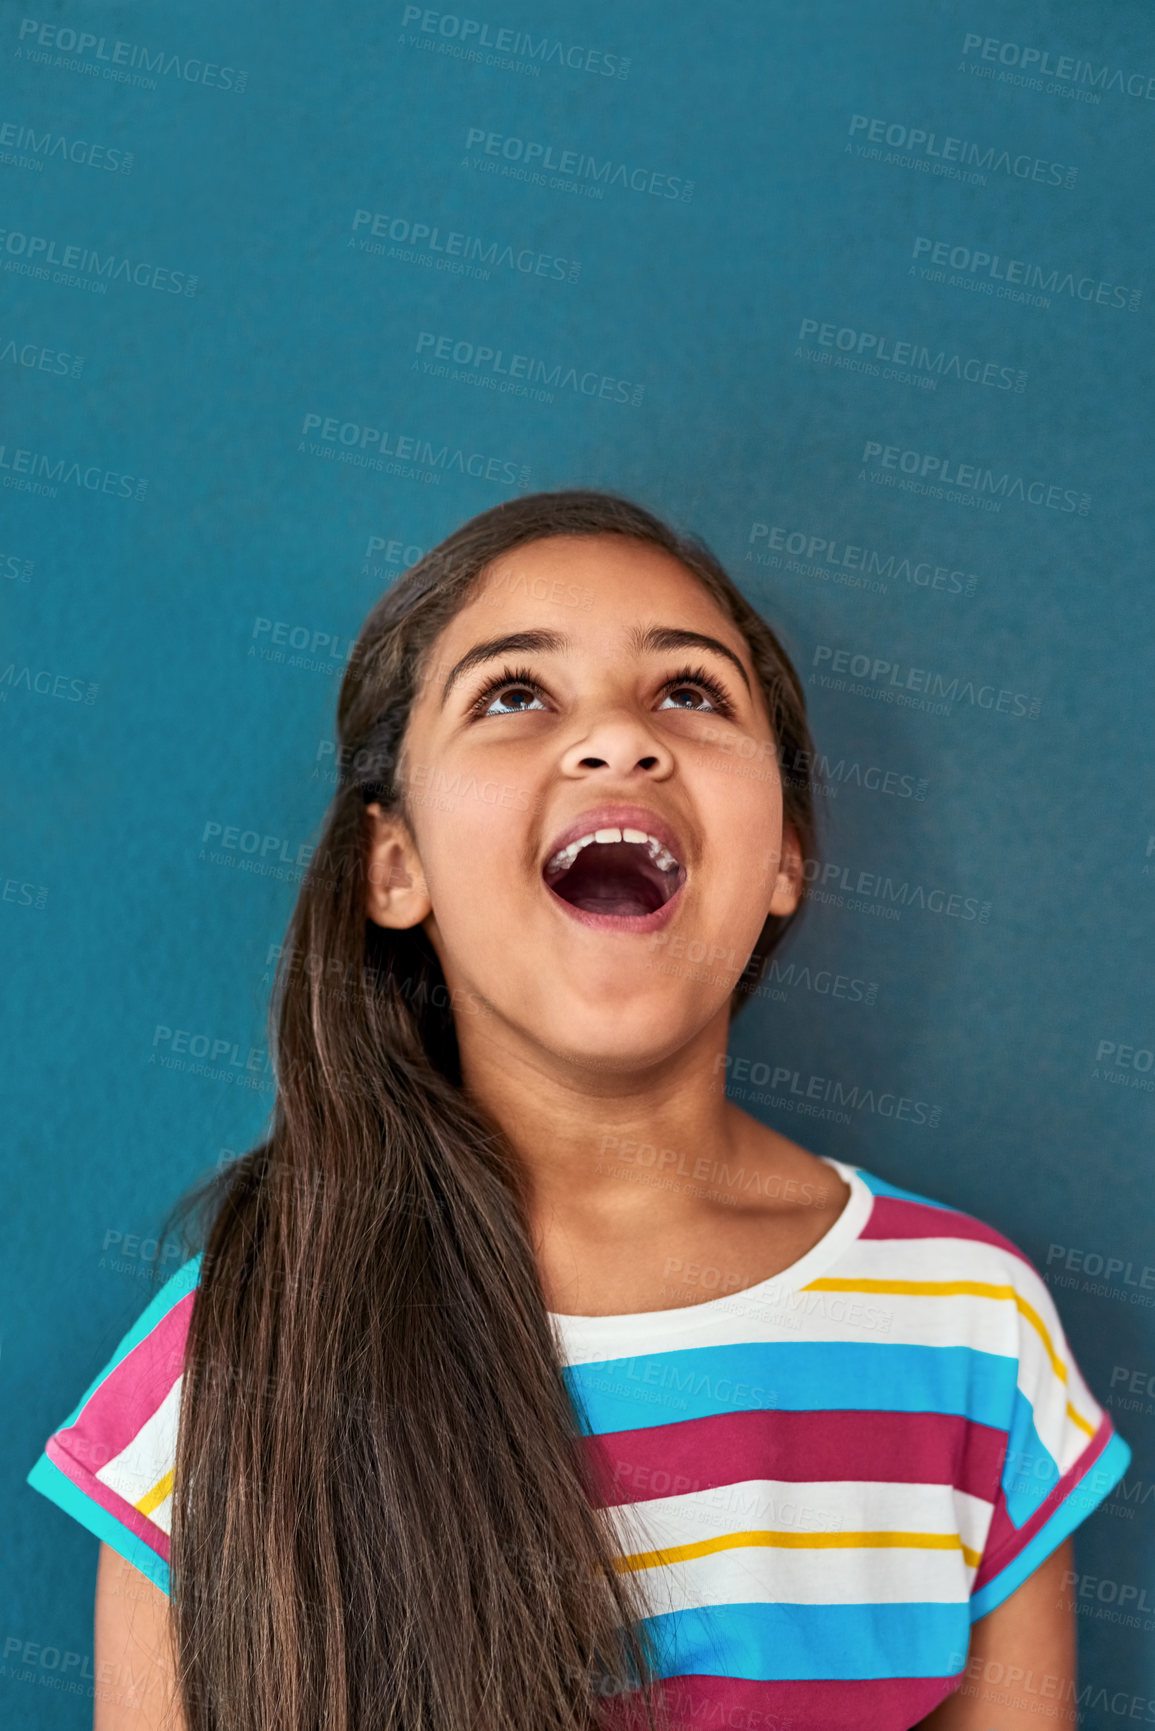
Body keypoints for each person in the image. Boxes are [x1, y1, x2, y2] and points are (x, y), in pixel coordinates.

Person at [28, 491, 1129, 1731]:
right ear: (396, 865)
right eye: (513, 695)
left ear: (784, 861)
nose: (618, 740)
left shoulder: (972, 1333)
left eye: (691, 693)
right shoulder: (224, 1367)